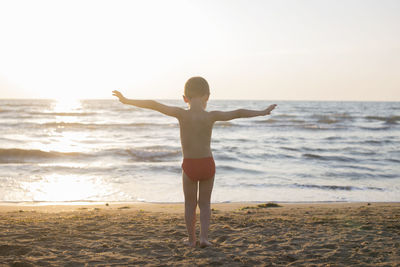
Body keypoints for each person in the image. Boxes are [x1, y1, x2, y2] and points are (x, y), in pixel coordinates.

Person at [112, 77, 277, 248]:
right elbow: (238, 113)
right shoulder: (211, 116)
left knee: (190, 204)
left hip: (190, 165)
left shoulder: (181, 114)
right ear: (207, 97)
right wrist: (263, 112)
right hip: (207, 164)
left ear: (185, 98)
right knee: (205, 204)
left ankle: (191, 240)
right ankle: (204, 238)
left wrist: (126, 100)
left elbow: (154, 104)